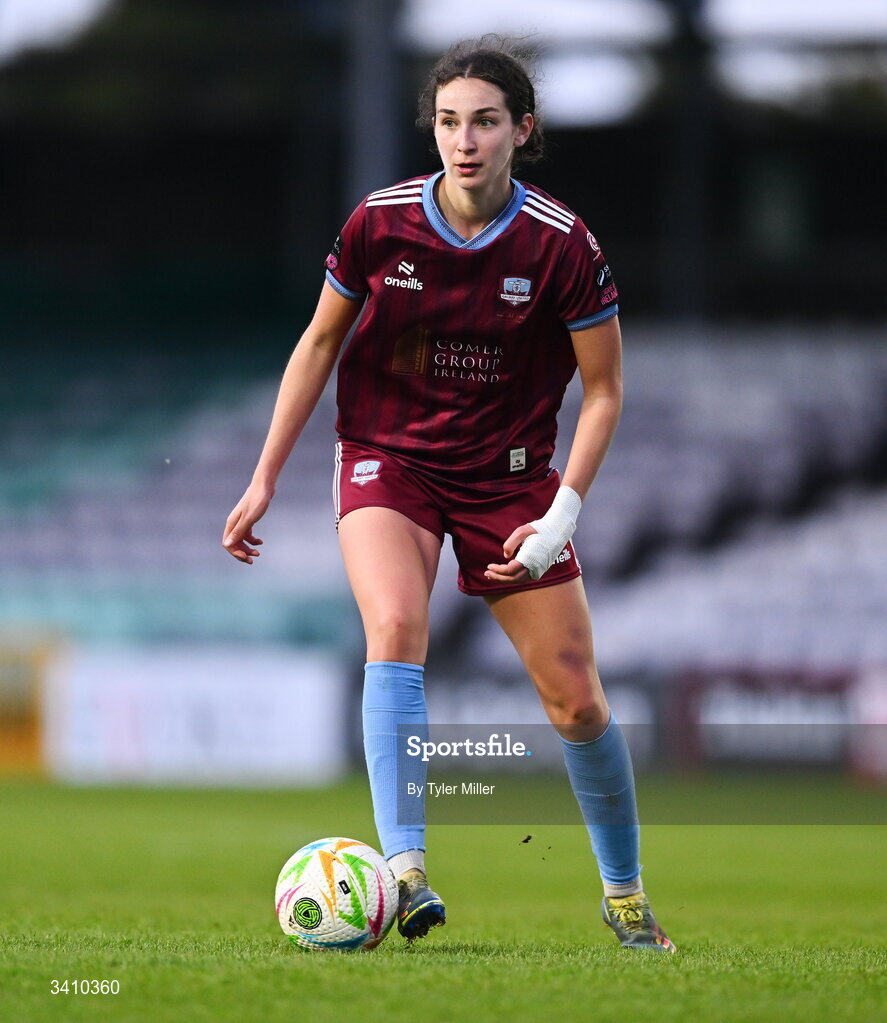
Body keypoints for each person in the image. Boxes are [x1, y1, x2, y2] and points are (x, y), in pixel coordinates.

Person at [223, 36, 675, 953]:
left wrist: (559, 515)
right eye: (447, 122)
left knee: (576, 701)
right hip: (387, 458)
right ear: (431, 128)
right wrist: (264, 474)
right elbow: (318, 343)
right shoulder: (378, 223)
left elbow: (605, 391)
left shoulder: (562, 245)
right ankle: (405, 871)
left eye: (484, 122)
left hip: (509, 480)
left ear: (522, 130)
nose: (464, 140)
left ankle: (624, 896)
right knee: (395, 626)